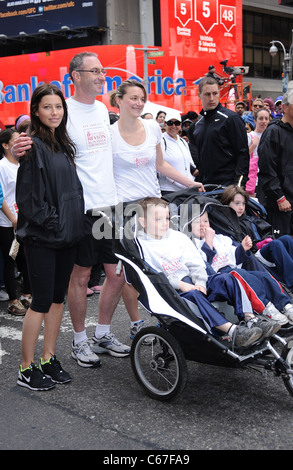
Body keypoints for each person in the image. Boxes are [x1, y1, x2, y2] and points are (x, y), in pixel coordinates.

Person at [12, 51, 131, 368]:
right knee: (78, 278)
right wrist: (17, 144)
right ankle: (79, 341)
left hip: (109, 205)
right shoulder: (64, 112)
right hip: (81, 208)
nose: (102, 75)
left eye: (102, 70)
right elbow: (35, 135)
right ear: (76, 76)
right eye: (95, 70)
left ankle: (102, 333)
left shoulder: (103, 109)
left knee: (116, 274)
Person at [106, 79, 204, 343]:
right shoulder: (109, 134)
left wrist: (191, 182)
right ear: (119, 100)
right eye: (133, 98)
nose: (138, 103)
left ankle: (179, 316)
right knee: (130, 271)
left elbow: (161, 165)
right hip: (125, 210)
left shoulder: (152, 127)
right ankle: (136, 324)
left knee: (161, 262)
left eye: (141, 99)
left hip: (154, 205)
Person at [16, 83, 85, 391]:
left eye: (58, 106)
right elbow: (29, 201)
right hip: (43, 238)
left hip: (67, 236)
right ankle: (26, 367)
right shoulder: (31, 146)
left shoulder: (63, 144)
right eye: (47, 107)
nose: (54, 112)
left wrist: (73, 226)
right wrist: (57, 225)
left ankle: (48, 358)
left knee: (58, 299)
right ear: (36, 111)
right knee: (41, 301)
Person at [137, 197, 263, 349]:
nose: (165, 223)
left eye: (167, 218)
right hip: (173, 291)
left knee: (226, 279)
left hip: (194, 281)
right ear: (143, 222)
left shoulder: (177, 237)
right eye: (158, 219)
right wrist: (182, 285)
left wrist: (200, 282)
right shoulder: (141, 247)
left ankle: (250, 319)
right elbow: (152, 277)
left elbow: (195, 263)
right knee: (194, 295)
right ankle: (233, 331)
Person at [191, 207, 292, 325]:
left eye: (205, 221)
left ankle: (285, 304)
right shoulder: (192, 245)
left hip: (233, 270)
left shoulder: (221, 239)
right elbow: (204, 264)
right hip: (218, 278)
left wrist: (242, 248)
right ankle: (265, 307)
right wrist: (208, 241)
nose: (203, 225)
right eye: (197, 222)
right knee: (240, 274)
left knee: (262, 276)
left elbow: (235, 257)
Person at [221, 185, 293, 305]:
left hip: (263, 248)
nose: (241, 207)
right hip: (252, 256)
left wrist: (267, 239)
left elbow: (265, 229)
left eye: (243, 204)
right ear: (227, 203)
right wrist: (260, 244)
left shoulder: (249, 218)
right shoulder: (228, 223)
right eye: (236, 203)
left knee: (286, 239)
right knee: (276, 245)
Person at [189, 76, 250, 186]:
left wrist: (239, 186)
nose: (212, 98)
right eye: (207, 94)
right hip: (204, 186)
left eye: (215, 93)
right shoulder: (197, 125)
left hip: (228, 186)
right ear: (199, 95)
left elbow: (243, 154)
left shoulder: (231, 119)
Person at [0, 128, 31, 315]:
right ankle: (13, 300)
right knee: (10, 260)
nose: (21, 142)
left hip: (24, 221)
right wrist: (12, 219)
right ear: (5, 145)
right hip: (7, 223)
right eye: (16, 140)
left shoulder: (22, 164)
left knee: (26, 258)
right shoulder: (2, 167)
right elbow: (1, 196)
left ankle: (27, 295)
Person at [257, 90, 293, 237]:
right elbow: (267, 169)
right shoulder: (273, 131)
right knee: (282, 246)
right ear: (284, 107)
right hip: (279, 204)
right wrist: (279, 197)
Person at [158, 112, 197, 194]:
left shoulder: (183, 142)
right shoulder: (160, 141)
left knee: (194, 207)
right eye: (170, 123)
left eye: (177, 123)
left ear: (180, 125)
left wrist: (191, 181)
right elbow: (159, 166)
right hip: (169, 191)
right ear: (165, 124)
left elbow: (190, 164)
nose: (173, 126)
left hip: (187, 189)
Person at [246, 108, 270, 196]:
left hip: (267, 178)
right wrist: (253, 145)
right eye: (261, 118)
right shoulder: (249, 136)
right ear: (255, 121)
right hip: (252, 180)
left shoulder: (271, 136)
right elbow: (242, 157)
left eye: (266, 119)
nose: (264, 121)